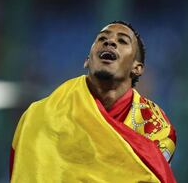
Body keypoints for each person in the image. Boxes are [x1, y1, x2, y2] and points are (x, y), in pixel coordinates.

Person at [10, 21, 177, 183]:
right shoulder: (41, 114)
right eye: (102, 39)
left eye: (122, 41)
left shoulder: (155, 127)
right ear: (87, 60)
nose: (110, 42)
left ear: (137, 68)